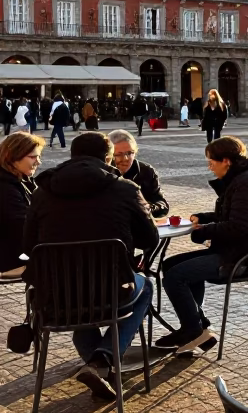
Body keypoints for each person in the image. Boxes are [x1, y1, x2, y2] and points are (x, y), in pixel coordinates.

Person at [23, 131, 157, 399]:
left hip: (57, 296)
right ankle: (102, 360)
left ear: (71, 156)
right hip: (113, 290)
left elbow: (29, 246)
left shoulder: (42, 192)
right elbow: (149, 238)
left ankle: (98, 365)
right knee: (147, 287)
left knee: (78, 293)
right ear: (107, 157)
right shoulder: (125, 189)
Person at [155, 136, 248, 353]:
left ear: (226, 161)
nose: (209, 167)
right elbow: (231, 215)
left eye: (211, 162)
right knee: (170, 265)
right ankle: (197, 326)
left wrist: (204, 230)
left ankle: (193, 330)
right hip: (236, 249)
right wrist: (201, 218)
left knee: (177, 275)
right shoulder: (239, 180)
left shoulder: (247, 182)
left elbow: (238, 226)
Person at [0, 132, 44, 276]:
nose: (38, 162)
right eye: (32, 157)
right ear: (12, 157)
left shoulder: (21, 179)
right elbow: (20, 225)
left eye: (39, 156)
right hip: (11, 258)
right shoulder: (5, 186)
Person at [108, 129, 169, 219]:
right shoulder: (101, 172)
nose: (125, 158)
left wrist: (148, 207)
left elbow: (162, 204)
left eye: (129, 153)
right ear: (108, 155)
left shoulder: (147, 171)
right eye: (118, 154)